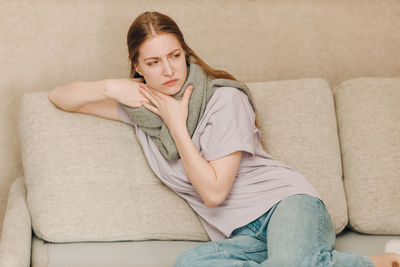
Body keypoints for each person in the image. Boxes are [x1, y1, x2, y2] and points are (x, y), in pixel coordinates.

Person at [48, 11, 400, 267]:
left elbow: (214, 193)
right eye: (153, 62)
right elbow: (60, 98)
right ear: (137, 67)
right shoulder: (142, 110)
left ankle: (378, 263)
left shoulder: (224, 99)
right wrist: (109, 86)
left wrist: (177, 126)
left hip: (288, 207)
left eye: (174, 56)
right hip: (243, 237)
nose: (169, 70)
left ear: (185, 53)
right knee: (190, 265)